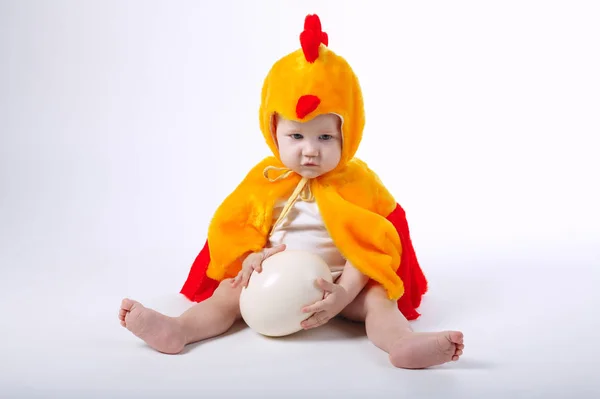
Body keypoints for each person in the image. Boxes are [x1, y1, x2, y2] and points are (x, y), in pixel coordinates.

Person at [119, 14, 464, 369]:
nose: (310, 150)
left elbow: (371, 248)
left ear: (350, 133)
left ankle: (401, 344)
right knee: (227, 295)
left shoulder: (359, 184)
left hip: (340, 283)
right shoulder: (267, 179)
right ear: (273, 131)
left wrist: (344, 293)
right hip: (273, 283)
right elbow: (241, 230)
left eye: (325, 137)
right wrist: (251, 258)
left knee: (379, 301)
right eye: (296, 136)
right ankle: (179, 330)